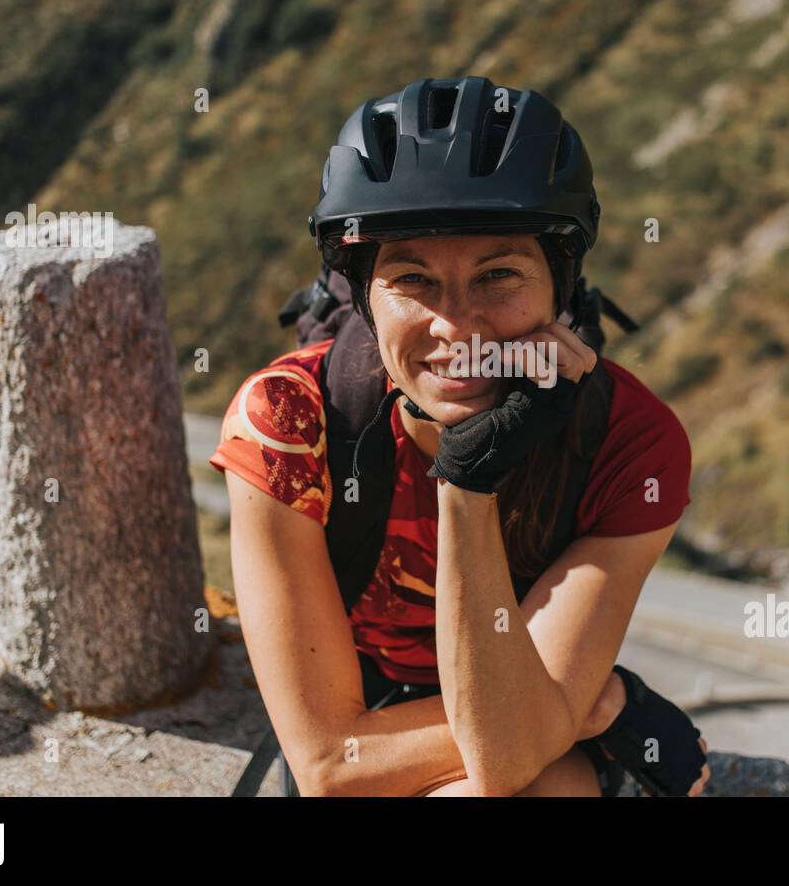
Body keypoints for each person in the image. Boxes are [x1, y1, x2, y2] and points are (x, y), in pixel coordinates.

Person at [209, 76, 709, 796]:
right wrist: (588, 708)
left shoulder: (629, 442)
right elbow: (326, 764)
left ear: (559, 286)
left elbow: (507, 760)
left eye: (498, 275)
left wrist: (468, 484)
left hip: (500, 711)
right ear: (362, 297)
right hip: (373, 706)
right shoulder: (290, 423)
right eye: (413, 280)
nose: (458, 328)